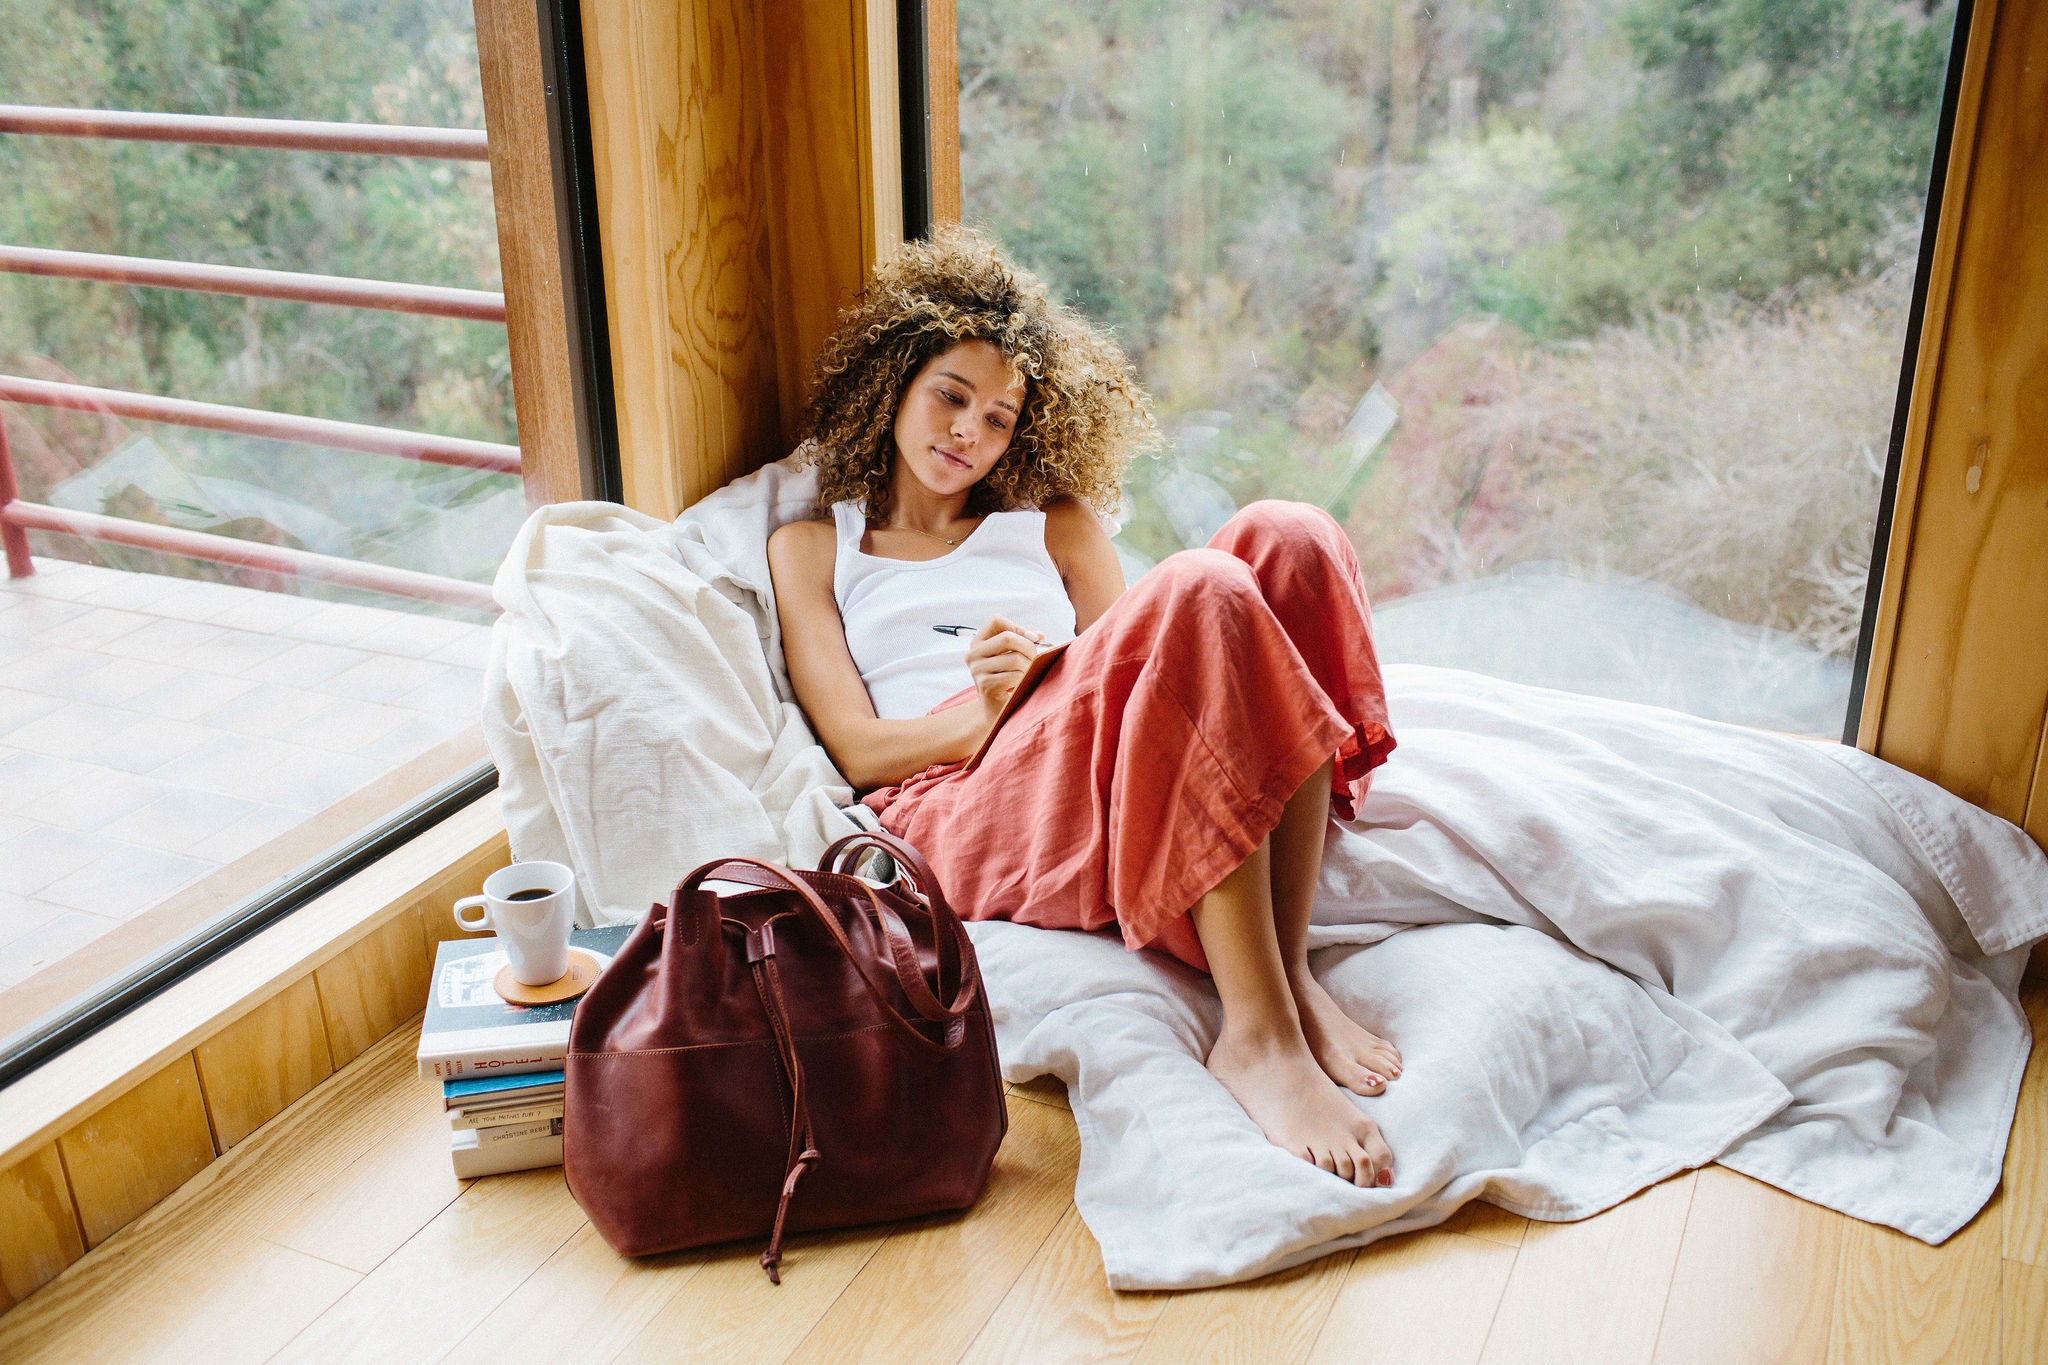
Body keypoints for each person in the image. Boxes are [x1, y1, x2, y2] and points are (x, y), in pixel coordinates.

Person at [768, 229, 1401, 1188]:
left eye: (999, 418)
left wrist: (1052, 674)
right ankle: (1259, 1035)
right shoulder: (816, 546)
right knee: (1202, 584)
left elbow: (1160, 676)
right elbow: (857, 751)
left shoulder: (1055, 523)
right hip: (954, 785)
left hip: (1071, 729)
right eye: (950, 395)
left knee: (1290, 536)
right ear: (894, 378)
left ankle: (1290, 962)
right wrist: (990, 714)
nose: (968, 434)